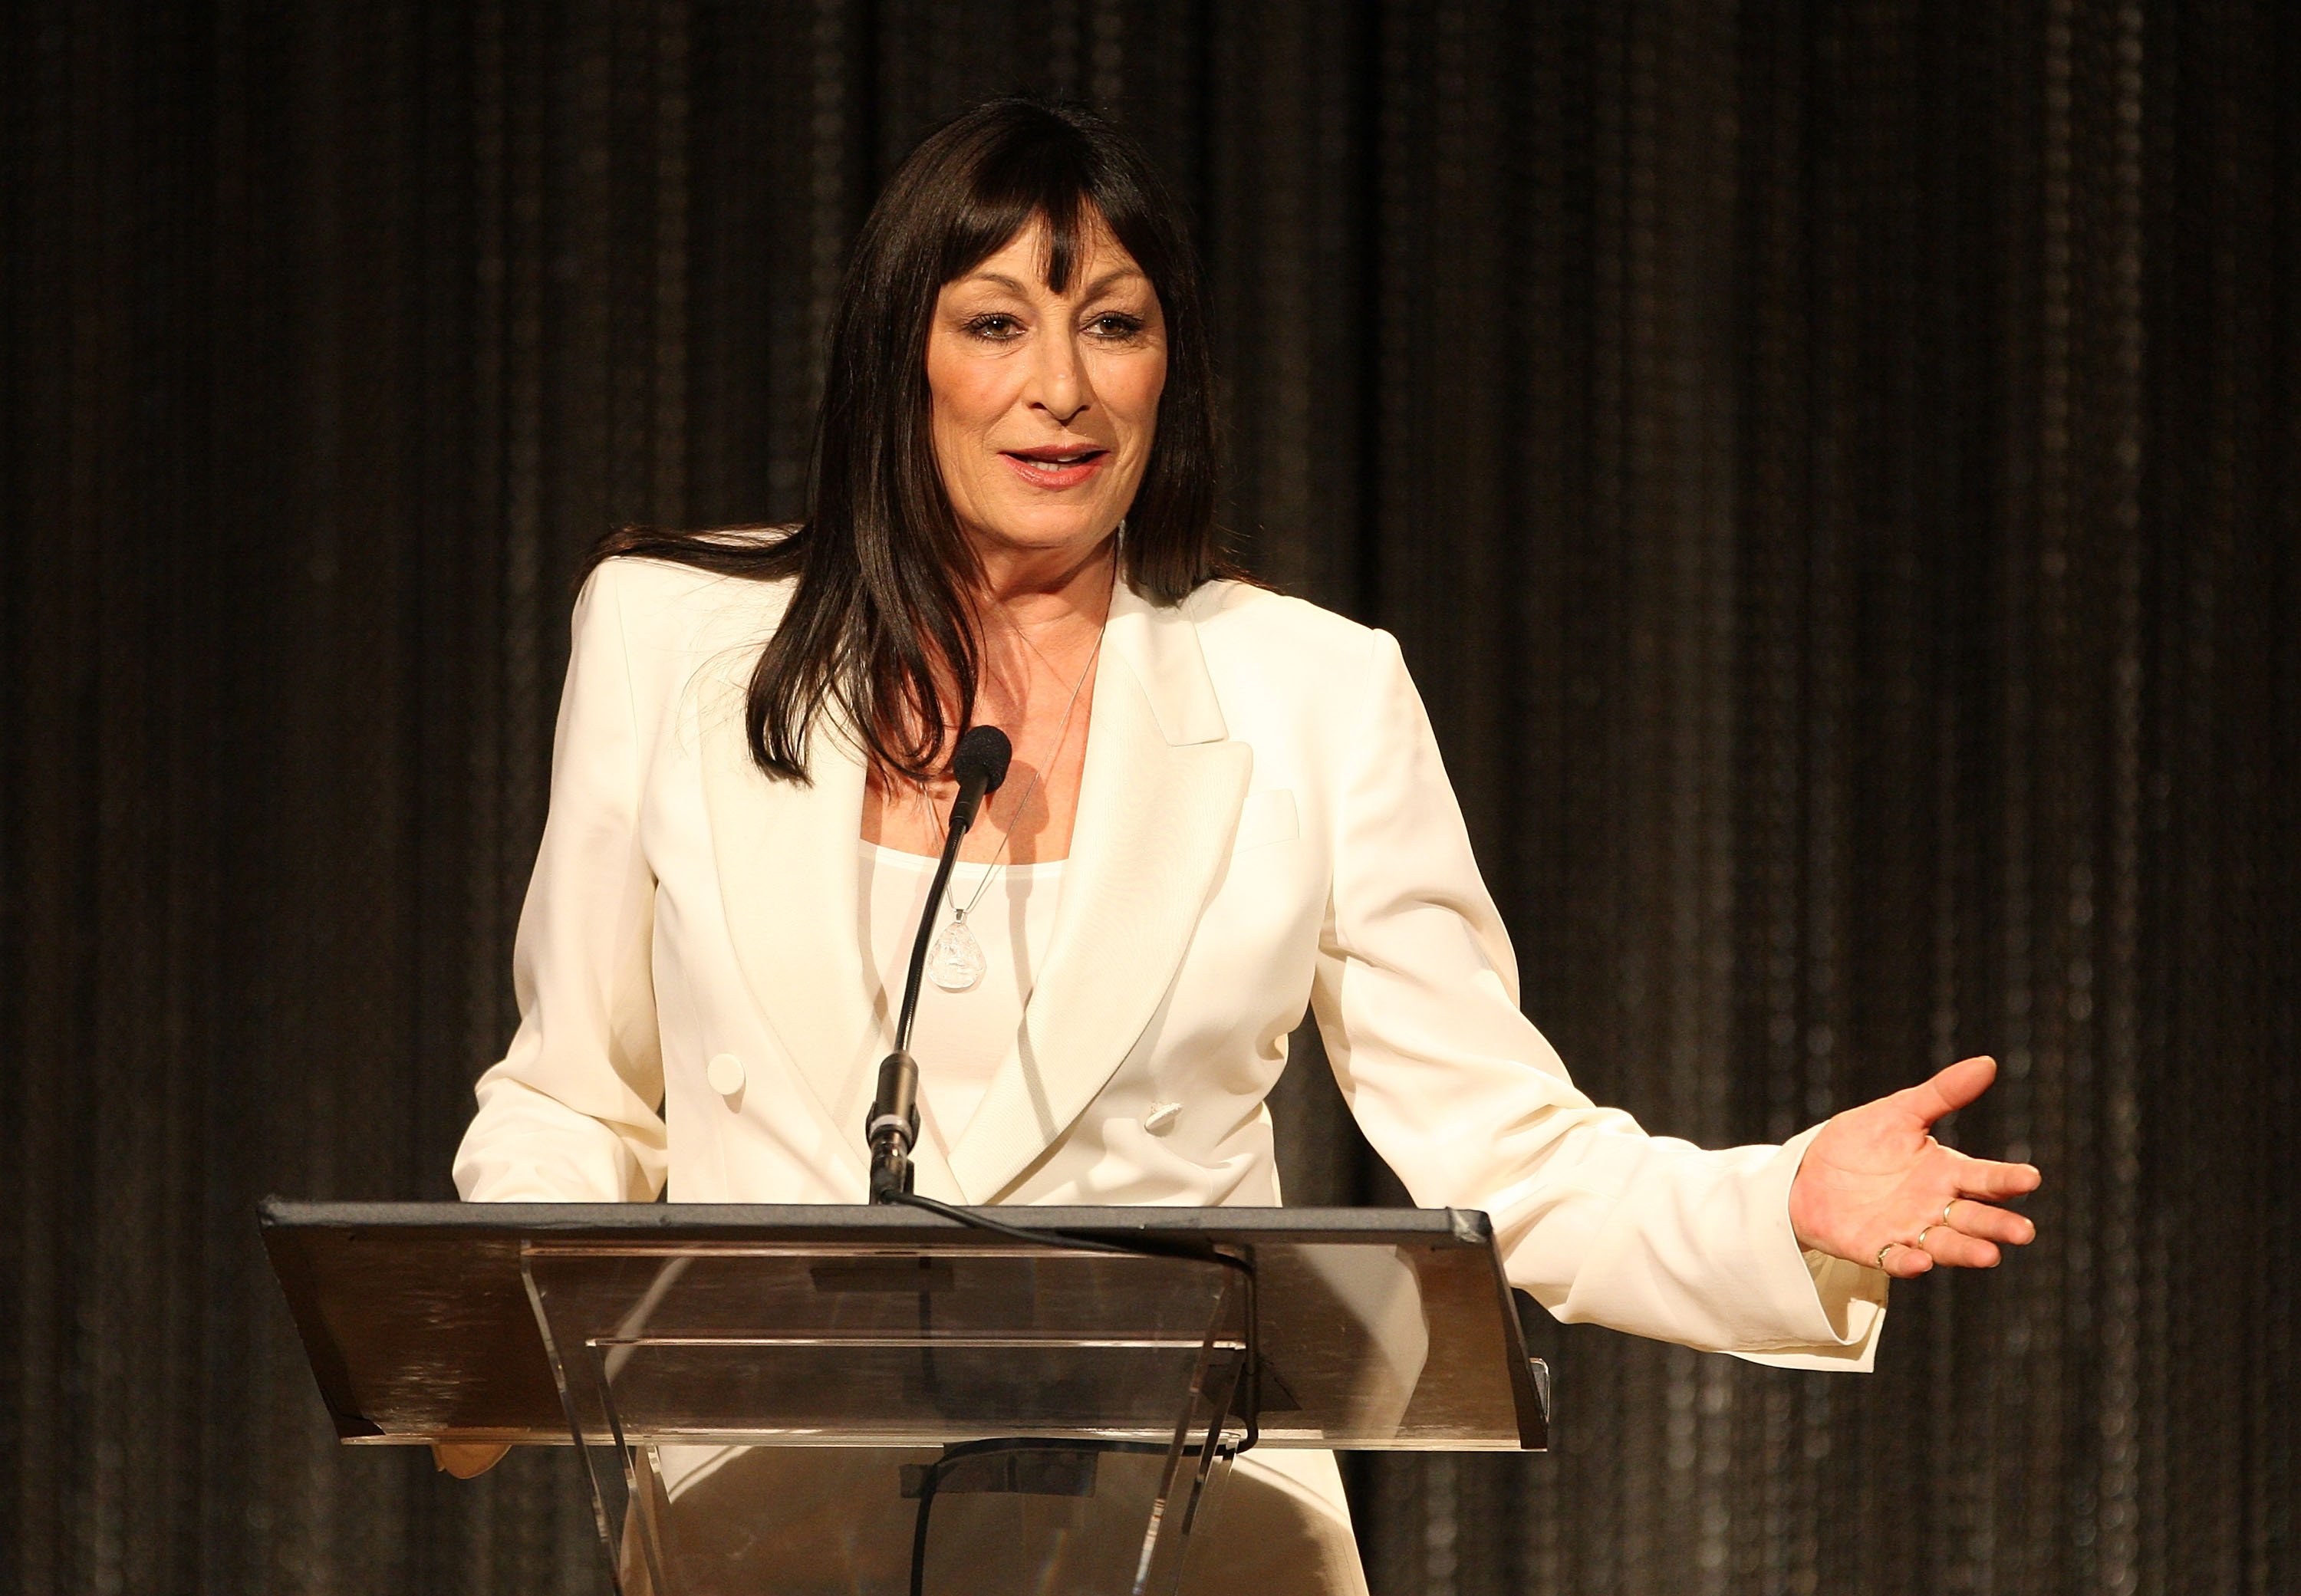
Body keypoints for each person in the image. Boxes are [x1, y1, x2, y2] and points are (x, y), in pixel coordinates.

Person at [443, 97, 2040, 1592]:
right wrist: (466, 1345)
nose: (1059, 386)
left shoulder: (1314, 691)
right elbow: (578, 1087)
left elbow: (1509, 1151)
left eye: (1113, 325)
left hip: (1186, 1539)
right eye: (997, 321)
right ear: (900, 359)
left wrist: (1783, 1209)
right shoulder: (668, 637)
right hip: (773, 1541)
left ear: (1168, 370)